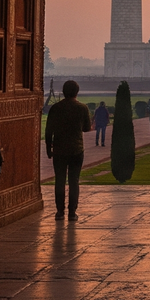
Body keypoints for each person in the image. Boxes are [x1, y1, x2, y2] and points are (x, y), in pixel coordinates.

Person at [45, 79, 91, 221]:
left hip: (59, 149)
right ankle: (72, 212)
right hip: (76, 149)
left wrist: (48, 148)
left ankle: (60, 212)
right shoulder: (82, 108)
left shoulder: (56, 108)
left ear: (64, 92)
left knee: (59, 181)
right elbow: (87, 128)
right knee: (74, 181)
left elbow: (48, 131)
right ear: (77, 92)